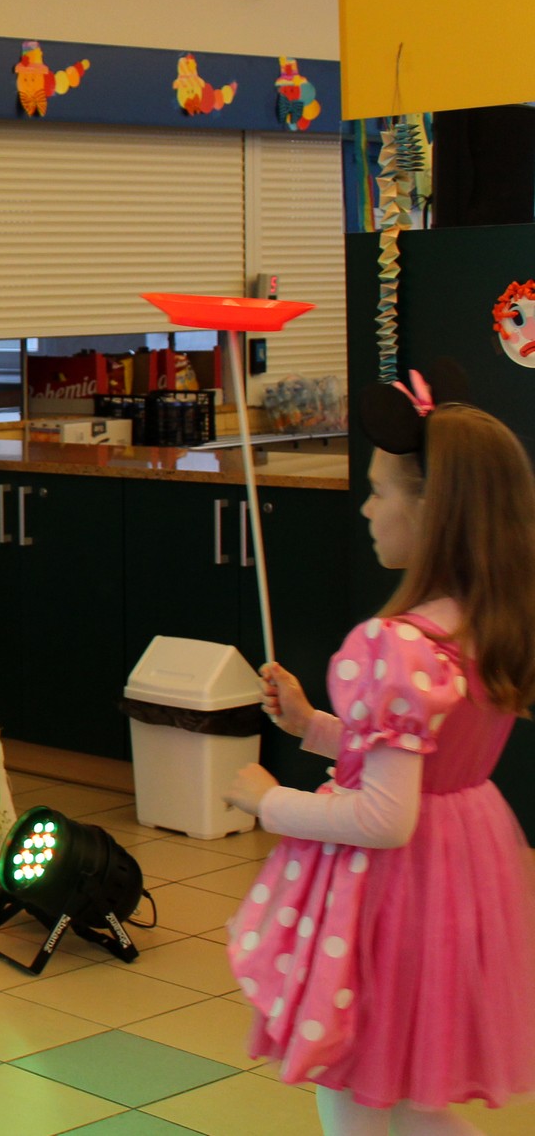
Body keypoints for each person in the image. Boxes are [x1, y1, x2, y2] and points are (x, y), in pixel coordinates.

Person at [223, 365, 535, 1135]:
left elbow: (384, 817)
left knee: (354, 1080)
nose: (365, 508)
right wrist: (311, 725)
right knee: (409, 1101)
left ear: (430, 510)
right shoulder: (487, 623)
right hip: (457, 876)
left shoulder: (393, 646)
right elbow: (424, 759)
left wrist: (269, 801)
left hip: (391, 895)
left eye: (378, 491)